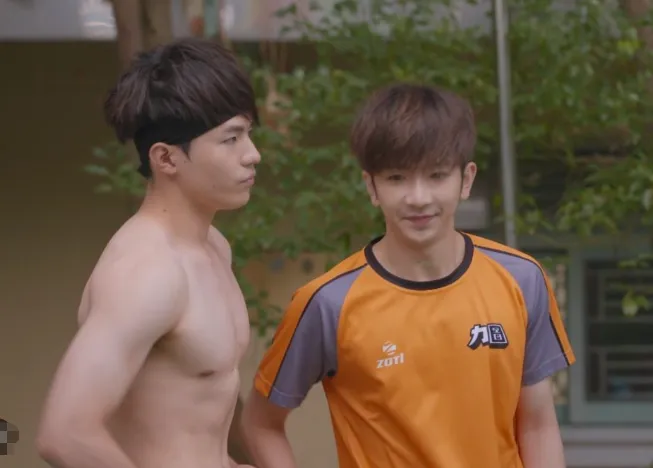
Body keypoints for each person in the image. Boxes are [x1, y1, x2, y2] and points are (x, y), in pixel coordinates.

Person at [241, 83, 575, 468]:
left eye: (436, 175)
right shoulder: (327, 303)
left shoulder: (521, 280)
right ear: (372, 187)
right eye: (397, 178)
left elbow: (537, 425)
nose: (418, 198)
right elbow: (261, 424)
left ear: (466, 180)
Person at [36, 37, 259, 468]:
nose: (253, 155)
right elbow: (65, 435)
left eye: (248, 134)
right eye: (231, 138)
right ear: (166, 159)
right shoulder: (147, 271)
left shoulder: (214, 246)